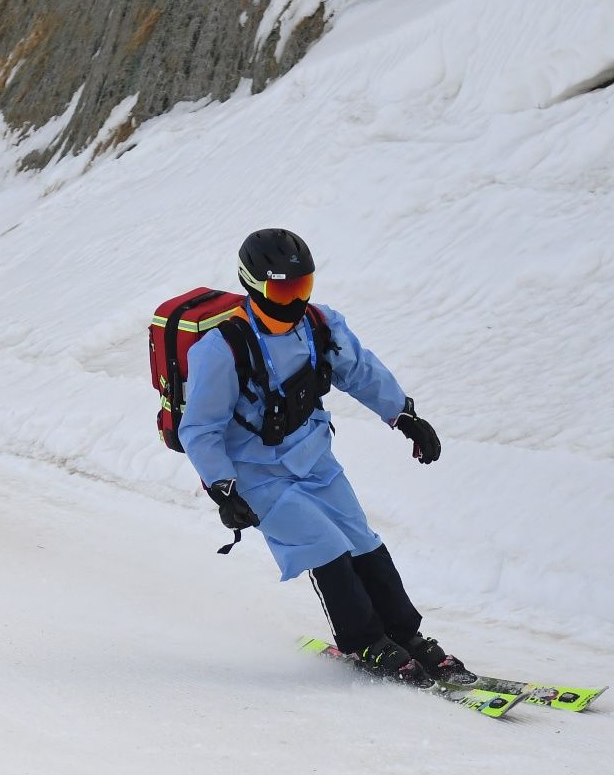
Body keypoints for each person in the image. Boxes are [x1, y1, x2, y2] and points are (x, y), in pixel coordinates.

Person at [177, 227, 455, 682]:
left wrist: (403, 415)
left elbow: (361, 372)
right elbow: (200, 427)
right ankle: (367, 642)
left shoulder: (320, 325)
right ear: (253, 284)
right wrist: (223, 490)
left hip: (313, 457)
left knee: (362, 540)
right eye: (282, 288)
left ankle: (407, 635)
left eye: (302, 286)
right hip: (256, 475)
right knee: (323, 546)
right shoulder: (223, 348)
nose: (293, 301)